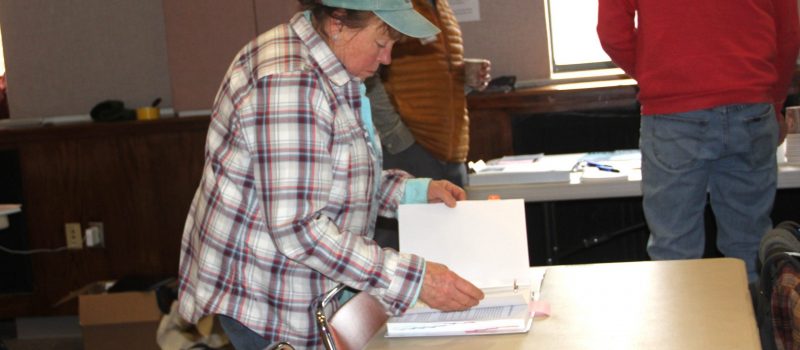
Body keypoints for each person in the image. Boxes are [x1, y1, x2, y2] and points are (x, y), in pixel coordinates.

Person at [177, 1, 485, 348]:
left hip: (302, 287)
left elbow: (339, 178)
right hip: (268, 299)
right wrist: (415, 279)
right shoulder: (290, 81)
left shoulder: (330, 67)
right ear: (338, 23)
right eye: (381, 43)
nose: (387, 59)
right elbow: (299, 229)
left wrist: (412, 192)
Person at [597, 0, 800, 282]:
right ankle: (752, 325)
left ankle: (684, 327)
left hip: (673, 115)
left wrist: (655, 76)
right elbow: (789, 32)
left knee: (674, 253)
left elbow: (612, 33)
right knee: (751, 248)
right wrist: (775, 101)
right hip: (751, 106)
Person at [366, 0, 491, 188]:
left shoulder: (443, 7)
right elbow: (369, 71)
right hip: (411, 146)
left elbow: (431, 70)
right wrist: (395, 135)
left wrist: (465, 78)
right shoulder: (396, 4)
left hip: (454, 149)